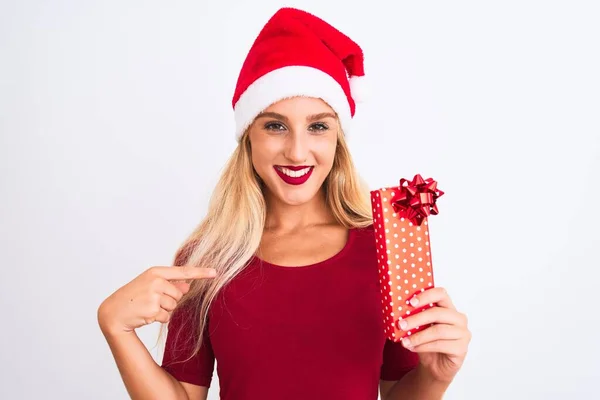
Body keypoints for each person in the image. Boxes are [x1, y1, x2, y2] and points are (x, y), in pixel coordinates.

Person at [97, 7, 471, 400]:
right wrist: (115, 327)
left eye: (318, 126)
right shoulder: (207, 259)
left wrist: (436, 377)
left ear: (337, 139)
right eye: (275, 125)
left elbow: (398, 393)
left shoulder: (384, 251)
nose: (297, 151)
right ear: (249, 138)